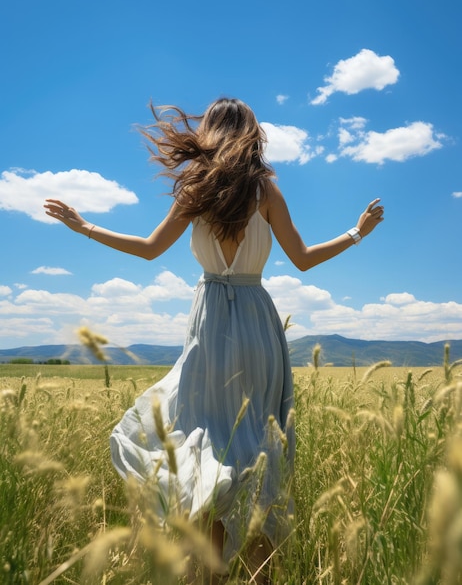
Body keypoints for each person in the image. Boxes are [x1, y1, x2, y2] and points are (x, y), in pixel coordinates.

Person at [44, 97, 384, 583]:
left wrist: (85, 227)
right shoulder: (266, 190)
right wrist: (357, 233)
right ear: (251, 133)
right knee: (256, 452)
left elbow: (148, 251)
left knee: (205, 447)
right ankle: (257, 575)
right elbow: (304, 258)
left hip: (208, 327)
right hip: (258, 326)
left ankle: (209, 573)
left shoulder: (194, 190)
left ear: (209, 132)